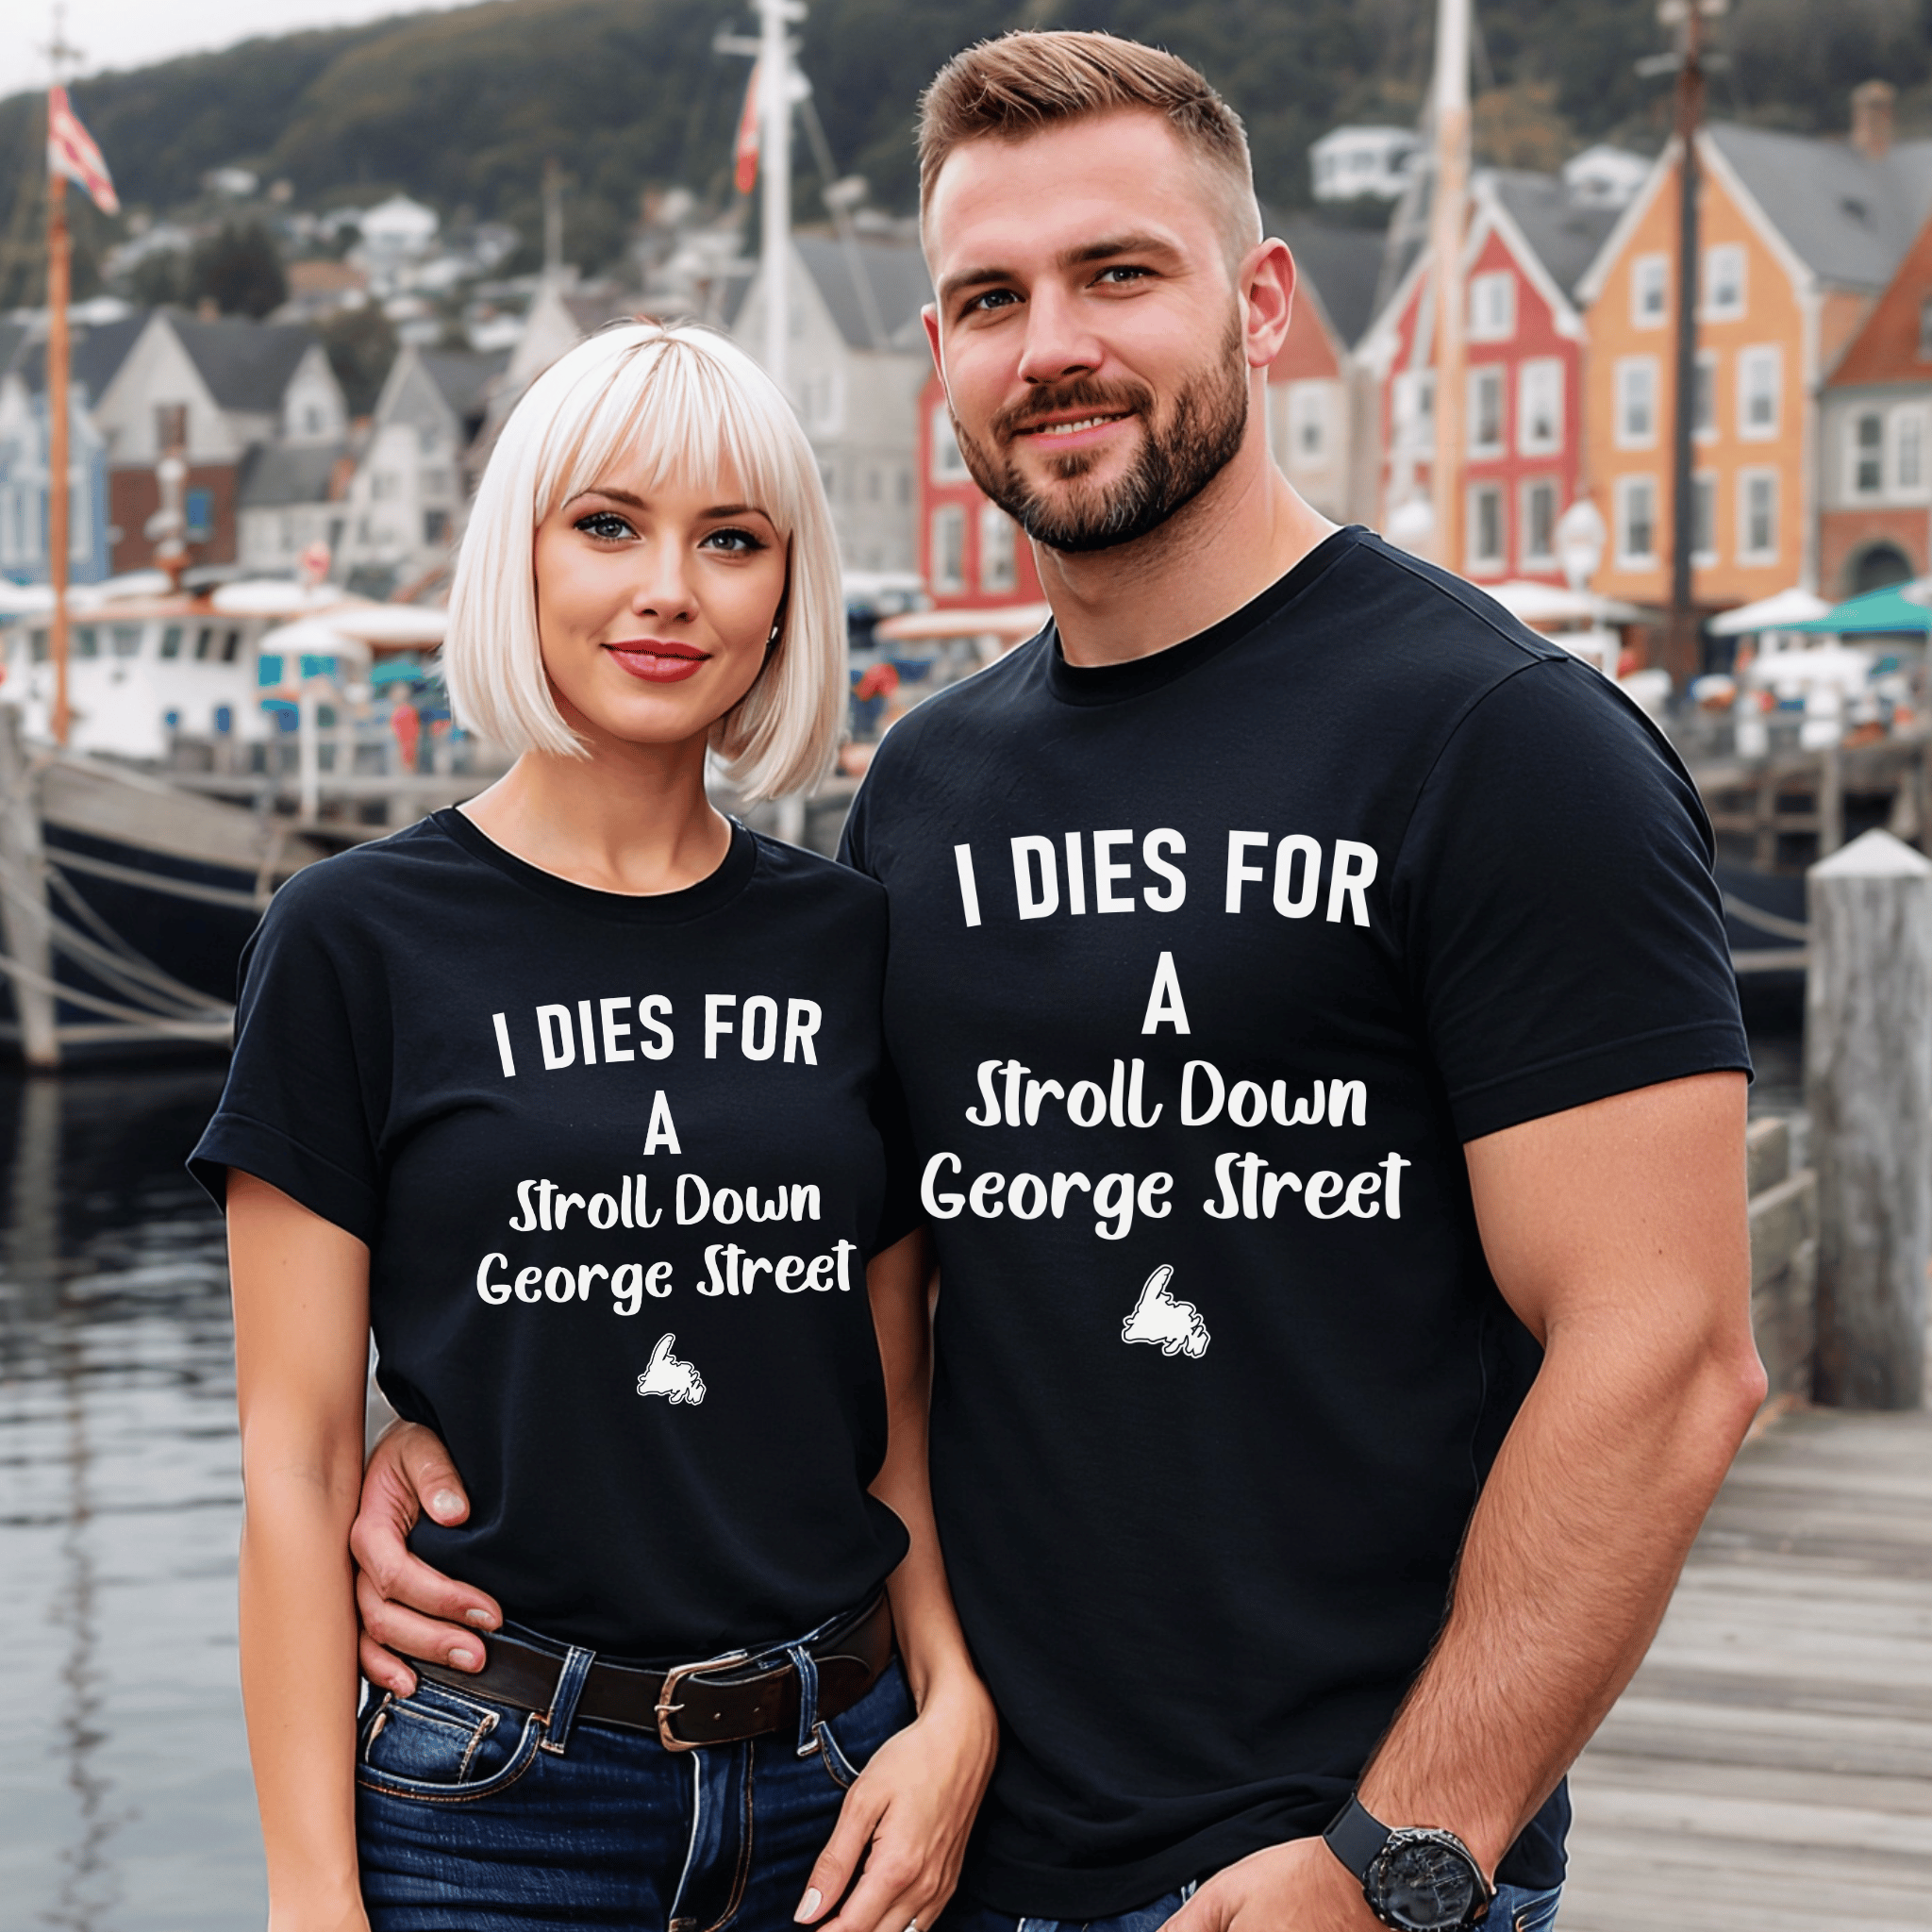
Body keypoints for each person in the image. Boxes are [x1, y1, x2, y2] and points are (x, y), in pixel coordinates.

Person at [351, 33, 1766, 1932]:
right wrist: (444, 1458)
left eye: (1118, 274)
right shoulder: (930, 789)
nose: (1051, 347)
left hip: (1315, 1863)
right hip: (922, 1827)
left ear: (1259, 303)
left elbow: (1666, 1356)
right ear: (938, 357)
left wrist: (1405, 1852)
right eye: (990, 300)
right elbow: (830, 1287)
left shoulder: (1500, 743)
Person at [191, 319, 995, 1932]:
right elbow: (293, 1463)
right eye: (609, 525)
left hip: (839, 1773)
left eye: (732, 541)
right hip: (495, 1797)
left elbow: (890, 1403)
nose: (668, 589)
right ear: (522, 557)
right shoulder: (353, 938)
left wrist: (955, 1699)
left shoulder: (853, 940)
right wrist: (309, 1896)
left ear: (784, 593)